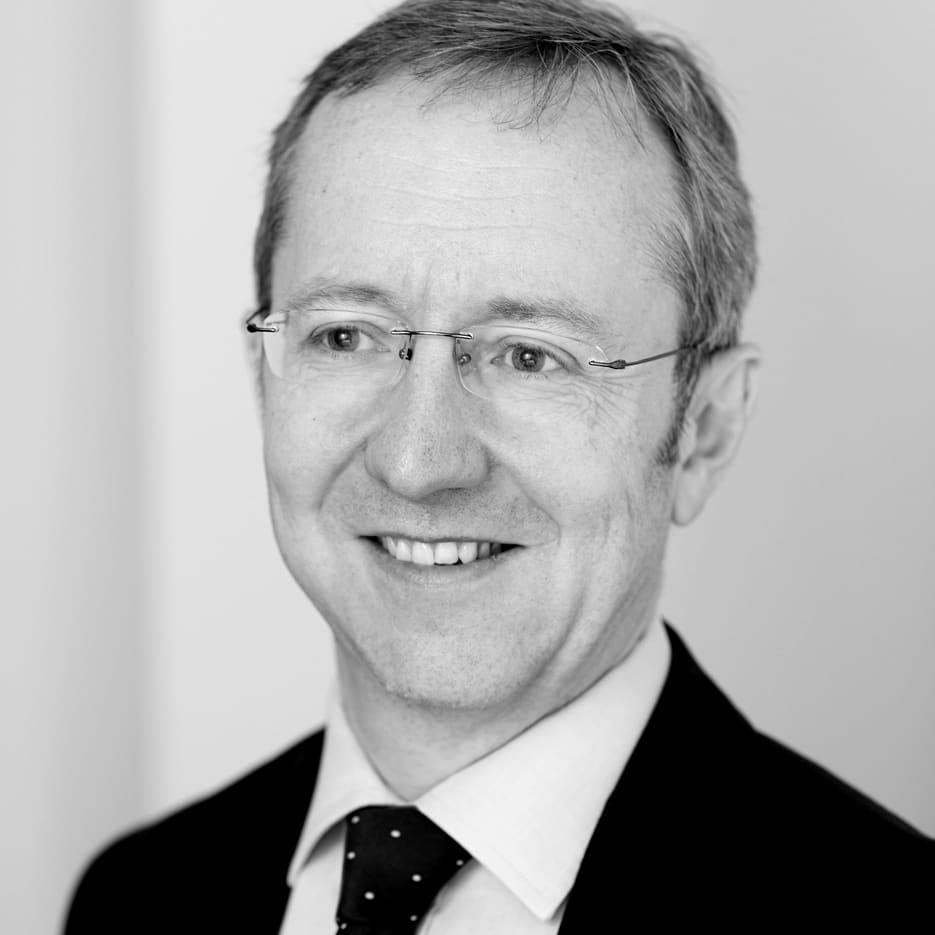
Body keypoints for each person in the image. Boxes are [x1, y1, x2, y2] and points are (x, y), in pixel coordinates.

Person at [65, 0, 934, 931]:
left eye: (530, 355)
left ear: (704, 429)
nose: (417, 462)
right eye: (347, 335)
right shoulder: (139, 895)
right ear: (262, 377)